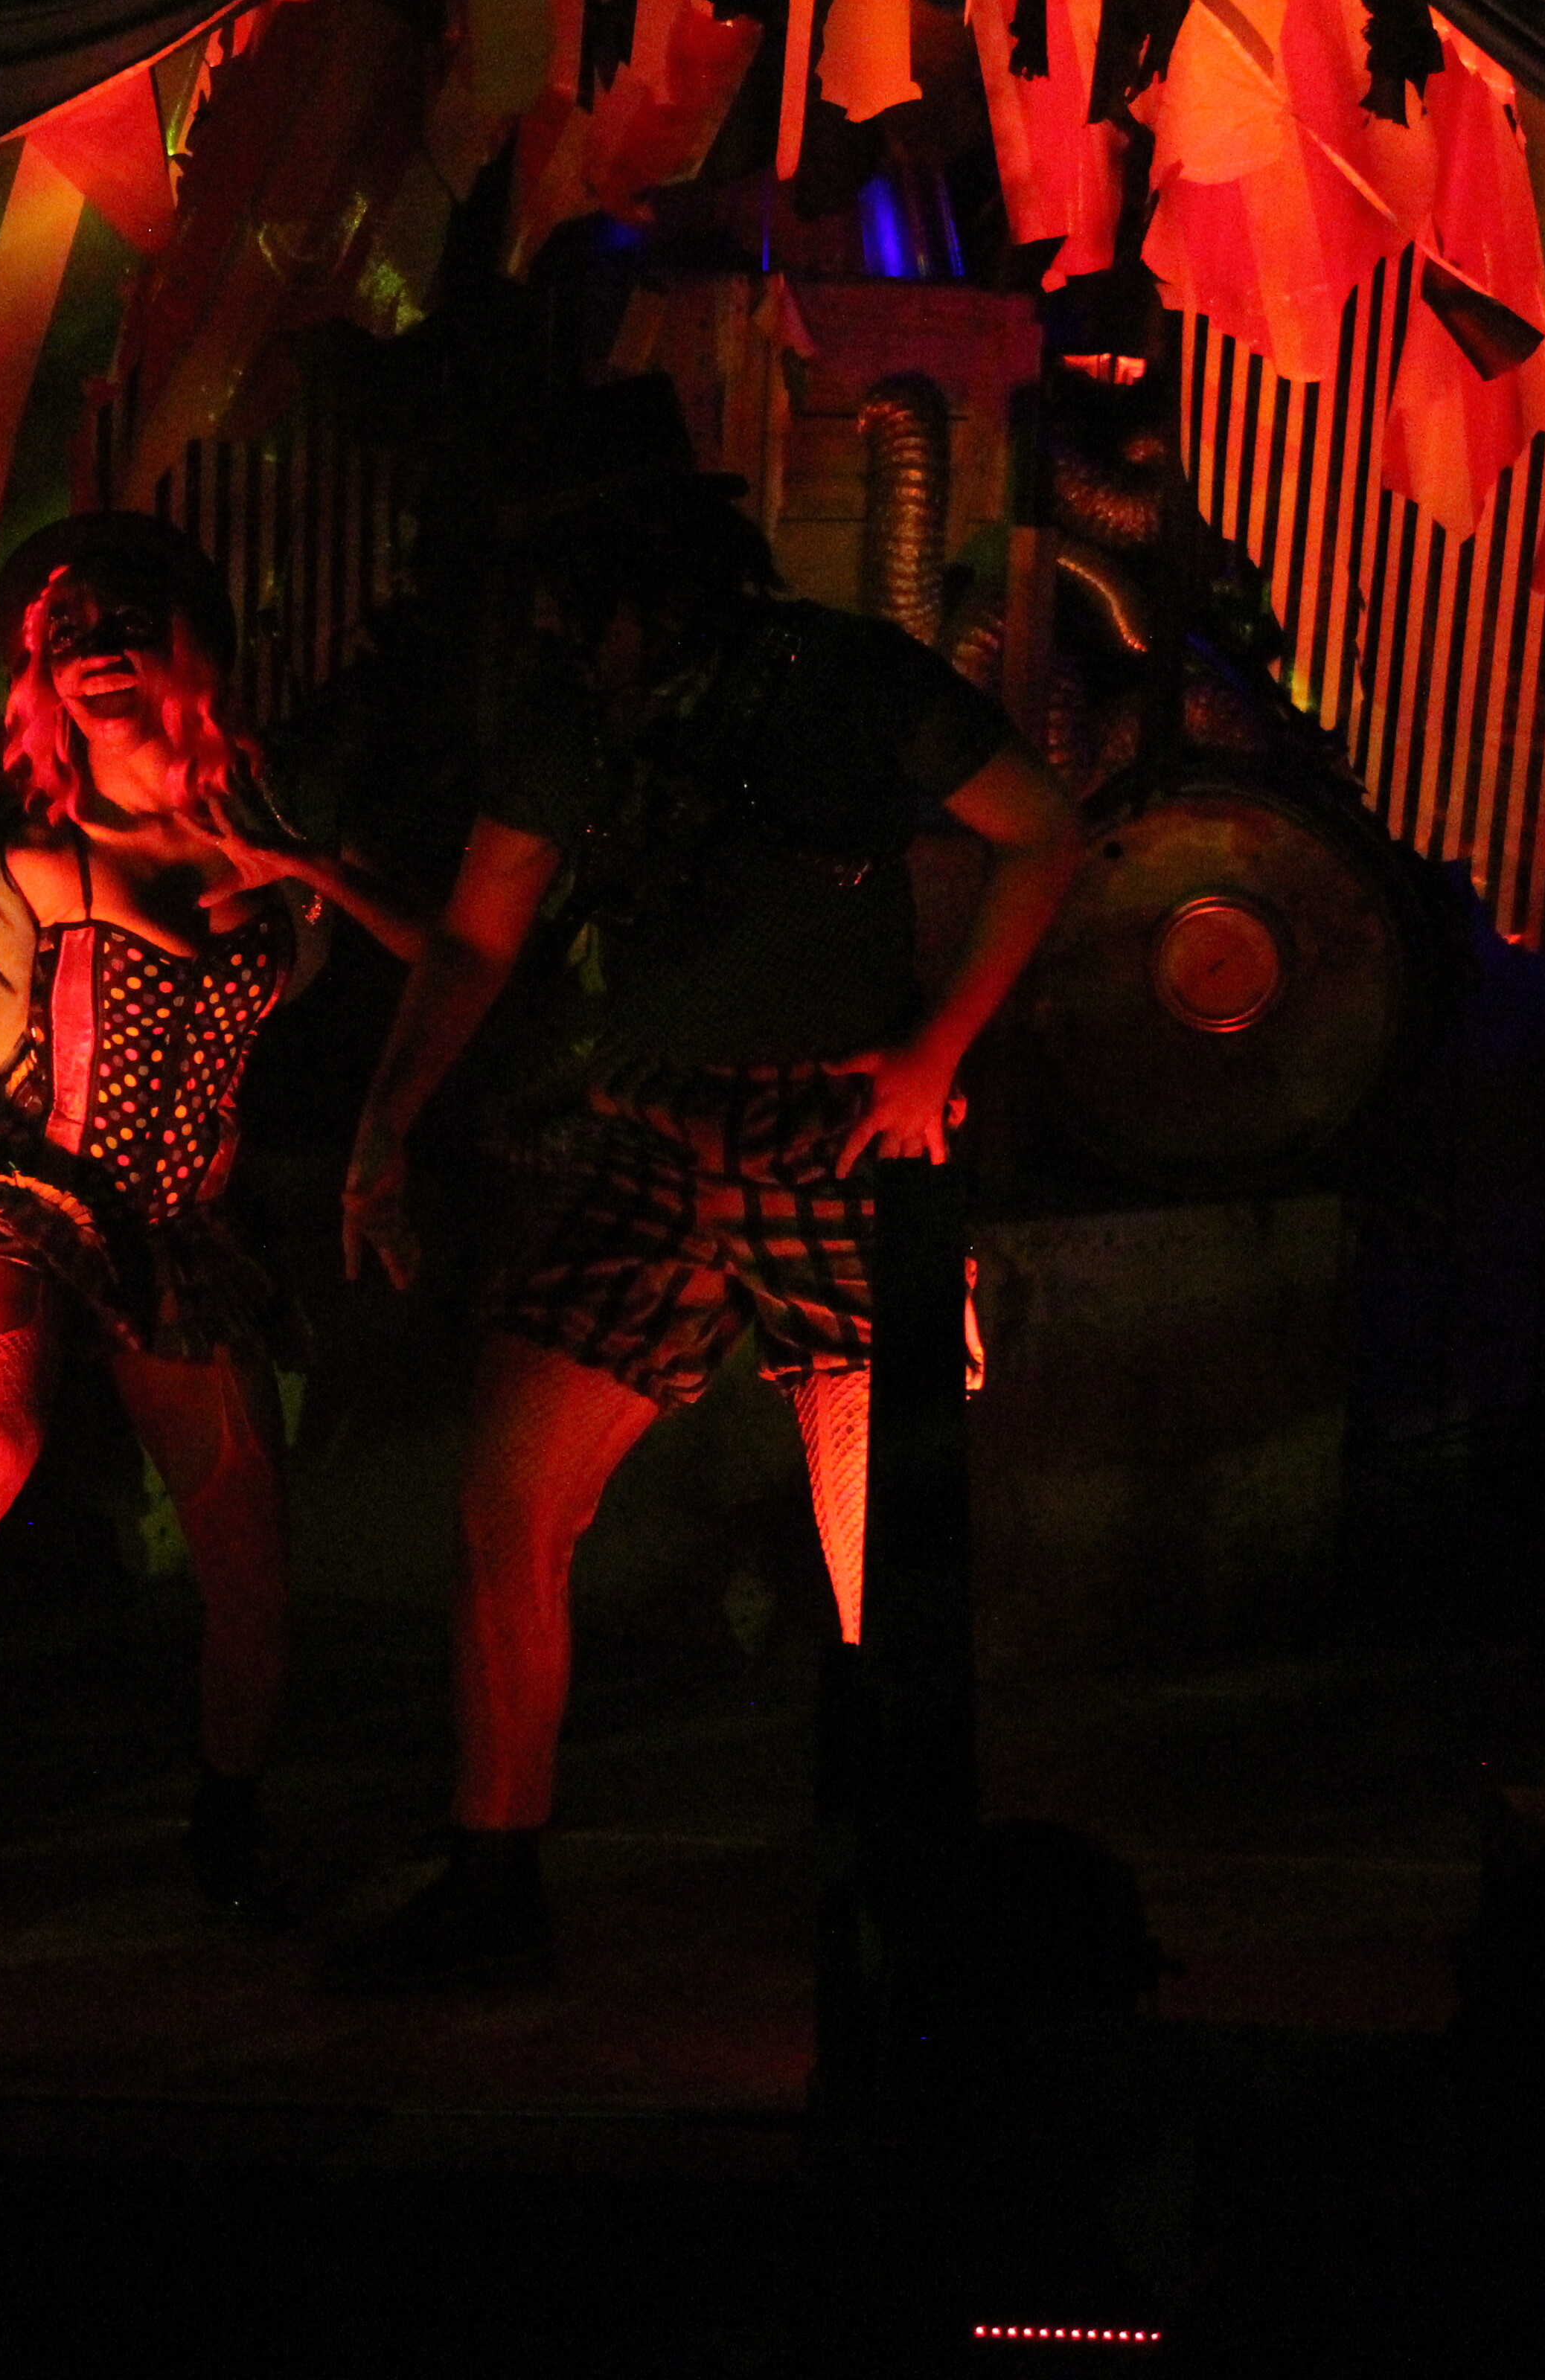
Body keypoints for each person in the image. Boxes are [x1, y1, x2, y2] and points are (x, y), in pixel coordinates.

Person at [322, 376, 1086, 1992]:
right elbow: (474, 938)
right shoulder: (575, 720)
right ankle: (495, 1876)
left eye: (572, 596)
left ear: (652, 579)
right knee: (509, 1493)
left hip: (837, 1136)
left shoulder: (839, 675)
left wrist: (935, 1050)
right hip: (660, 1135)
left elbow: (1041, 831)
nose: (551, 627)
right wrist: (384, 1128)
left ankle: (900, 1886)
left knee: (883, 1552)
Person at [0, 513, 429, 1919]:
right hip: (28, 1191)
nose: (96, 653)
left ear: (189, 648)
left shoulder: (271, 828)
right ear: (39, 678)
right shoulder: (22, 857)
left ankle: (226, 1827)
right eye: (67, 638)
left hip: (179, 1228)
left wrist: (303, 869)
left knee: (253, 1562)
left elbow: (449, 957)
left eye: (123, 626)